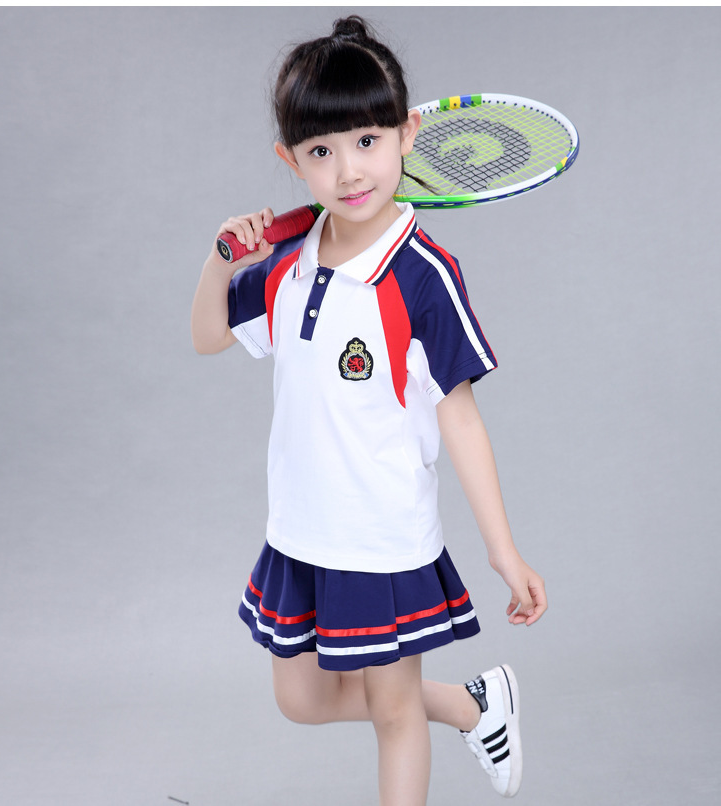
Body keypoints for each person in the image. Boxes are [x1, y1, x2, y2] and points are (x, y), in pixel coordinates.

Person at [191, 15, 547, 805]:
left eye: (366, 141)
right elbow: (209, 336)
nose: (349, 170)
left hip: (382, 536)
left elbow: (460, 418)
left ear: (406, 135)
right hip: (299, 529)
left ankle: (456, 713)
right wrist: (220, 260)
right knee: (301, 698)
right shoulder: (287, 257)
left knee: (393, 711)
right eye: (321, 152)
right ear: (290, 161)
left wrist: (504, 553)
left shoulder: (423, 274)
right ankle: (474, 706)